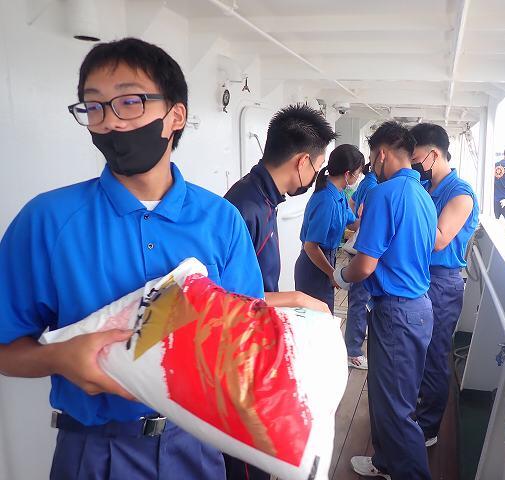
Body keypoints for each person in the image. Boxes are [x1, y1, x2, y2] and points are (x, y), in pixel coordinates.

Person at [0, 38, 265, 479]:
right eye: (94, 107)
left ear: (175, 116)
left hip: (197, 444)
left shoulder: (221, 220)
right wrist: (58, 358)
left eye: (129, 102)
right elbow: (5, 348)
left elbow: (245, 333)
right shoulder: (47, 220)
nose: (109, 121)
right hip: (94, 453)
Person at [223, 104, 335, 479]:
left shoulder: (264, 199)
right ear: (302, 162)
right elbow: (224, 298)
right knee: (247, 462)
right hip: (238, 357)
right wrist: (297, 299)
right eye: (317, 168)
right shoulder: (245, 207)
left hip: (257, 344)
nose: (315, 177)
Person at [333, 122, 437, 480]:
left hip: (396, 312)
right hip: (417, 308)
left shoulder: (383, 194)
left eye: (372, 159)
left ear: (380, 154)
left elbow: (364, 265)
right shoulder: (423, 195)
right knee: (389, 396)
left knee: (396, 408)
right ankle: (386, 462)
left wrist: (340, 276)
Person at [409, 123, 479, 448]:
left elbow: (439, 240)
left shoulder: (459, 193)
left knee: (435, 353)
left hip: (442, 282)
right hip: (421, 276)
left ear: (434, 154)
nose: (413, 165)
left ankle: (428, 428)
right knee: (418, 350)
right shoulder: (425, 186)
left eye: (416, 158)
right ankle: (416, 409)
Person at [294, 144, 364, 314]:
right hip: (313, 266)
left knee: (325, 314)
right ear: (347, 174)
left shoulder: (339, 194)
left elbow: (352, 223)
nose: (358, 177)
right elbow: (311, 246)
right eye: (358, 173)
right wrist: (332, 274)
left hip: (326, 262)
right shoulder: (326, 200)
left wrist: (372, 220)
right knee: (316, 319)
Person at [343, 162, 378, 370]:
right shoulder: (375, 187)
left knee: (357, 299)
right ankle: (353, 351)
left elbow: (353, 202)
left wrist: (356, 221)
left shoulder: (367, 182)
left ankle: (354, 338)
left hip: (360, 247)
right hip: (364, 251)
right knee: (360, 300)